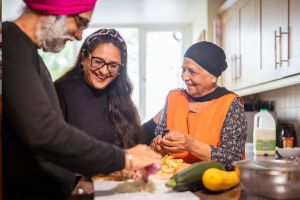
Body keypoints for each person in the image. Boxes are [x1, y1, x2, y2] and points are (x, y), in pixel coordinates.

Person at [2, 0, 161, 199]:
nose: (78, 36)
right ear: (56, 9)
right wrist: (123, 159)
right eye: (81, 23)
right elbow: (45, 132)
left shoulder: (26, 51)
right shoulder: (10, 43)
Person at [54, 28, 146, 194]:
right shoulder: (61, 90)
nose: (104, 71)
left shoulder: (120, 94)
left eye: (113, 65)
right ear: (84, 58)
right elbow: (52, 151)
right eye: (98, 61)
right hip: (75, 189)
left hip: (115, 187)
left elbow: (132, 144)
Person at [150, 41, 247, 170]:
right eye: (183, 69)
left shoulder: (231, 104)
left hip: (215, 184)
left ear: (212, 76)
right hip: (172, 181)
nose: (184, 77)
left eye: (192, 71)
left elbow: (233, 160)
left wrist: (190, 144)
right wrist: (158, 146)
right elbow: (158, 145)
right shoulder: (173, 98)